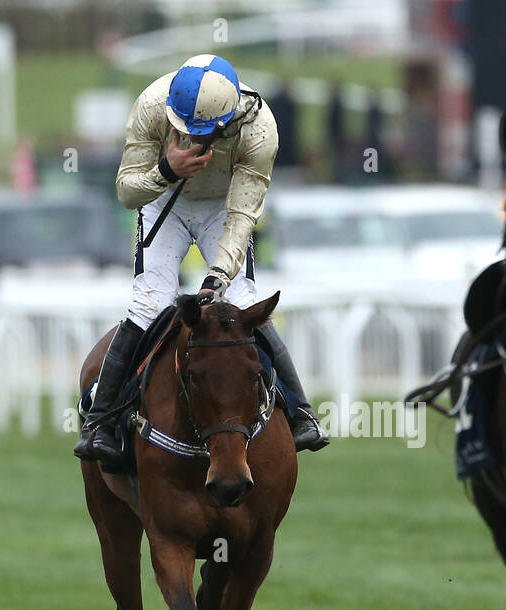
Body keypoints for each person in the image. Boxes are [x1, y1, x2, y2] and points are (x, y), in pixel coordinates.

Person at [74, 54, 328, 464]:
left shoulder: (260, 130)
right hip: (163, 202)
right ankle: (101, 422)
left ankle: (300, 411)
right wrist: (167, 169)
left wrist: (216, 278)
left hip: (223, 207)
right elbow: (125, 193)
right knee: (150, 301)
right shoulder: (153, 105)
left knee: (243, 300)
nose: (189, 138)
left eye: (200, 133)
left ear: (228, 121)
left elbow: (243, 214)